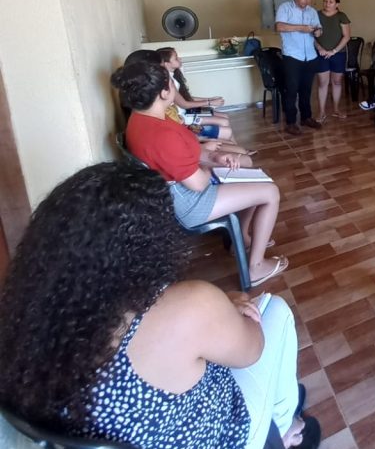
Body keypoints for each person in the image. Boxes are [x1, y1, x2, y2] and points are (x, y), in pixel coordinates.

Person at [0, 163, 321, 449]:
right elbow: (254, 348)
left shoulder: (37, 322)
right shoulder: (186, 306)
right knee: (274, 313)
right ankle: (285, 427)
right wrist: (231, 304)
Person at [111, 60, 286, 286]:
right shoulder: (160, 134)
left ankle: (241, 240)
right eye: (171, 83)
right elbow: (199, 184)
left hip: (178, 190)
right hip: (190, 203)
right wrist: (210, 165)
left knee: (248, 174)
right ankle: (256, 268)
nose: (174, 87)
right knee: (270, 192)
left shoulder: (142, 119)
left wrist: (215, 157)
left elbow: (181, 155)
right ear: (164, 92)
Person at [275, 0, 323, 136]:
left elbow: (318, 29)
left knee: (306, 89)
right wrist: (301, 27)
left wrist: (318, 32)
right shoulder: (285, 8)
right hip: (292, 56)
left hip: (310, 56)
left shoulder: (312, 11)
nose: (306, 0)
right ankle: (290, 122)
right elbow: (279, 27)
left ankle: (306, 117)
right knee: (291, 90)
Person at [157, 46, 233, 139]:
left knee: (225, 116)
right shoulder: (168, 81)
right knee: (224, 122)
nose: (180, 59)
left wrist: (210, 99)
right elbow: (184, 104)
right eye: (176, 58)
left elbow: (186, 97)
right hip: (184, 116)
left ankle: (233, 145)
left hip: (187, 111)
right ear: (166, 64)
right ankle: (227, 144)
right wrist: (209, 102)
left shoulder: (173, 75)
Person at [314, 0, 351, 121]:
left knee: (337, 81)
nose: (327, 4)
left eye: (331, 2)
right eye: (325, 1)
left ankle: (336, 109)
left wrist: (334, 51)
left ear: (337, 4)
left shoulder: (342, 16)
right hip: (321, 54)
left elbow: (346, 37)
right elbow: (311, 36)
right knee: (322, 82)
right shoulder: (316, 15)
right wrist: (320, 48)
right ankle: (322, 112)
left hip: (338, 54)